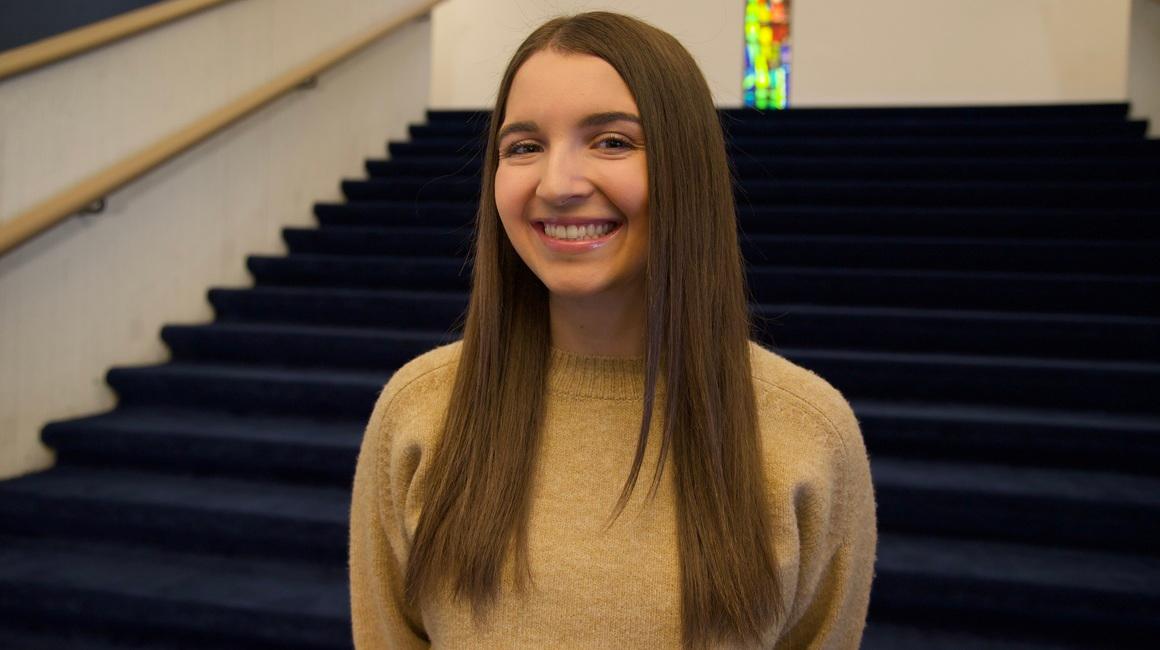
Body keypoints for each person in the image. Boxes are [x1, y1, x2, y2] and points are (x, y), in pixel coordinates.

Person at [349, 11, 877, 649]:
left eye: (612, 142)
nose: (558, 184)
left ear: (687, 169)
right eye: (523, 146)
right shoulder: (421, 409)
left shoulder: (806, 431)